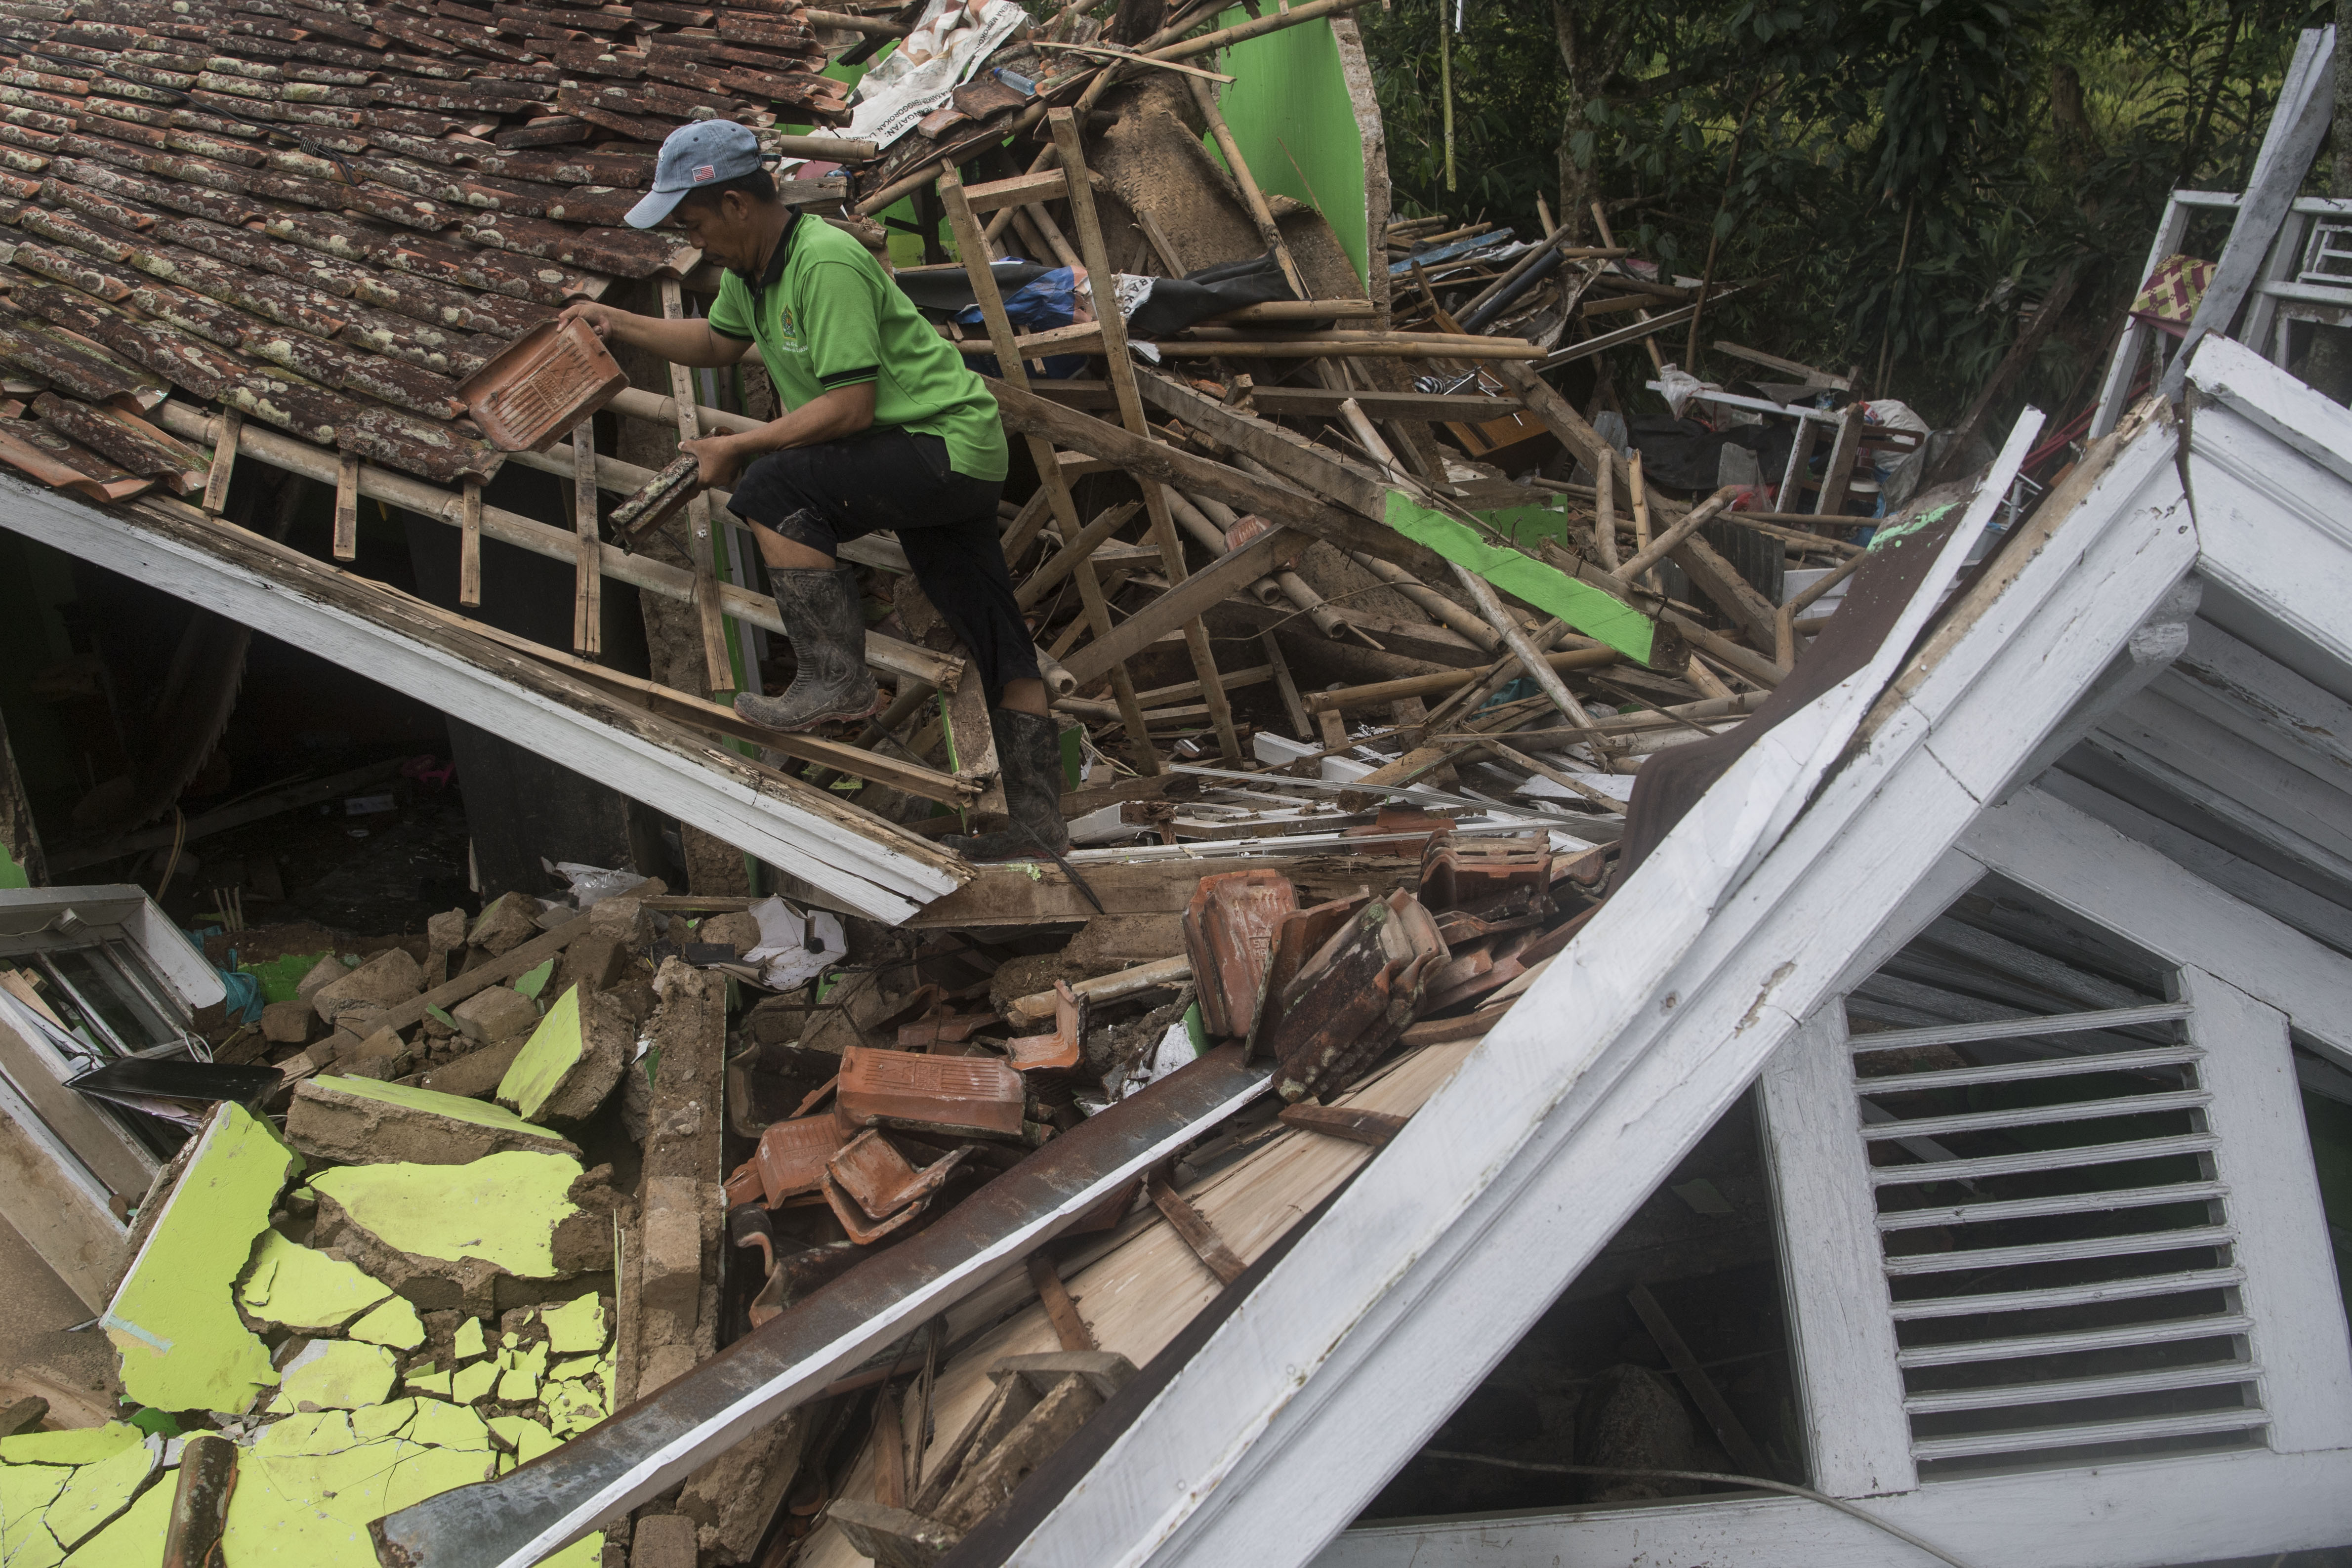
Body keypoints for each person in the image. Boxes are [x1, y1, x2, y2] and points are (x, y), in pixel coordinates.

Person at [557, 120, 1065, 862]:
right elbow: (714, 342)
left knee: (771, 487)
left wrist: (740, 446)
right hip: (930, 457)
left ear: (736, 204)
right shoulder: (749, 274)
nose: (695, 240)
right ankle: (1041, 831)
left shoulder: (821, 261)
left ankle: (836, 677)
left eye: (694, 222)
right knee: (999, 642)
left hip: (939, 448)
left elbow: (850, 409)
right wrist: (614, 322)